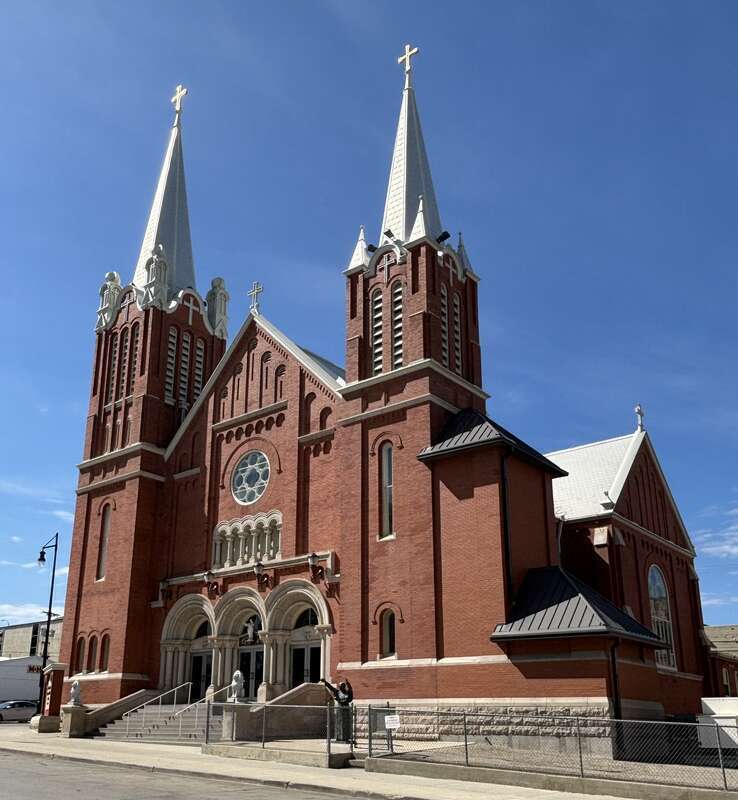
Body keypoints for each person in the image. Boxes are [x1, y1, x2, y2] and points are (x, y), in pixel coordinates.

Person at [320, 678, 353, 743]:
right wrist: (325, 682)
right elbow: (330, 687)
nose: (341, 687)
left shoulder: (347, 692)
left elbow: (350, 691)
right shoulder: (337, 692)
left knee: (346, 723)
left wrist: (348, 684)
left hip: (346, 709)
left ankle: (346, 738)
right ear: (339, 687)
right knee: (339, 723)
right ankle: (339, 737)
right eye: (340, 686)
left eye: (343, 686)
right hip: (339, 709)